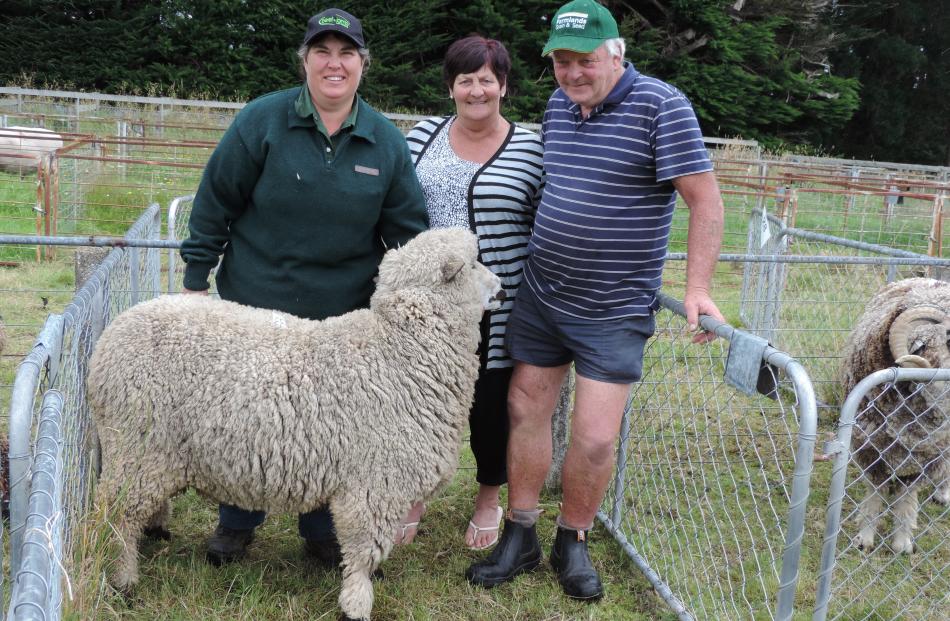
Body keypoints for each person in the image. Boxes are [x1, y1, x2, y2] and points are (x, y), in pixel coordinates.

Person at [466, 0, 725, 601]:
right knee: (526, 411)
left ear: (615, 54)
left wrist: (698, 289)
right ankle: (522, 531)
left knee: (595, 437)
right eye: (560, 61)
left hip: (613, 307)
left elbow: (705, 202)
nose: (572, 72)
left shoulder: (662, 107)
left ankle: (572, 538)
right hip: (544, 295)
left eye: (583, 60)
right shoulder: (560, 106)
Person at [178, 8, 428, 568]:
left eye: (346, 53)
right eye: (322, 52)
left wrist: (410, 305)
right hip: (254, 304)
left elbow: (408, 236)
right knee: (247, 415)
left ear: (363, 64)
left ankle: (322, 531)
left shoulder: (384, 141)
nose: (333, 63)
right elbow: (216, 199)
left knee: (331, 424)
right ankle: (237, 521)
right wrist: (196, 282)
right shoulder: (263, 121)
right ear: (306, 61)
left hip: (340, 316)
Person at [400, 36, 544, 550]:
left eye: (487, 79)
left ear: (503, 86)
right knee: (419, 400)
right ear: (451, 87)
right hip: (428, 304)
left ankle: (488, 497)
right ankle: (414, 492)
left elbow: (544, 221)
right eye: (465, 79)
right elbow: (396, 202)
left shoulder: (531, 147)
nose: (476, 90)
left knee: (488, 404)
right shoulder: (423, 135)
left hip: (495, 303)